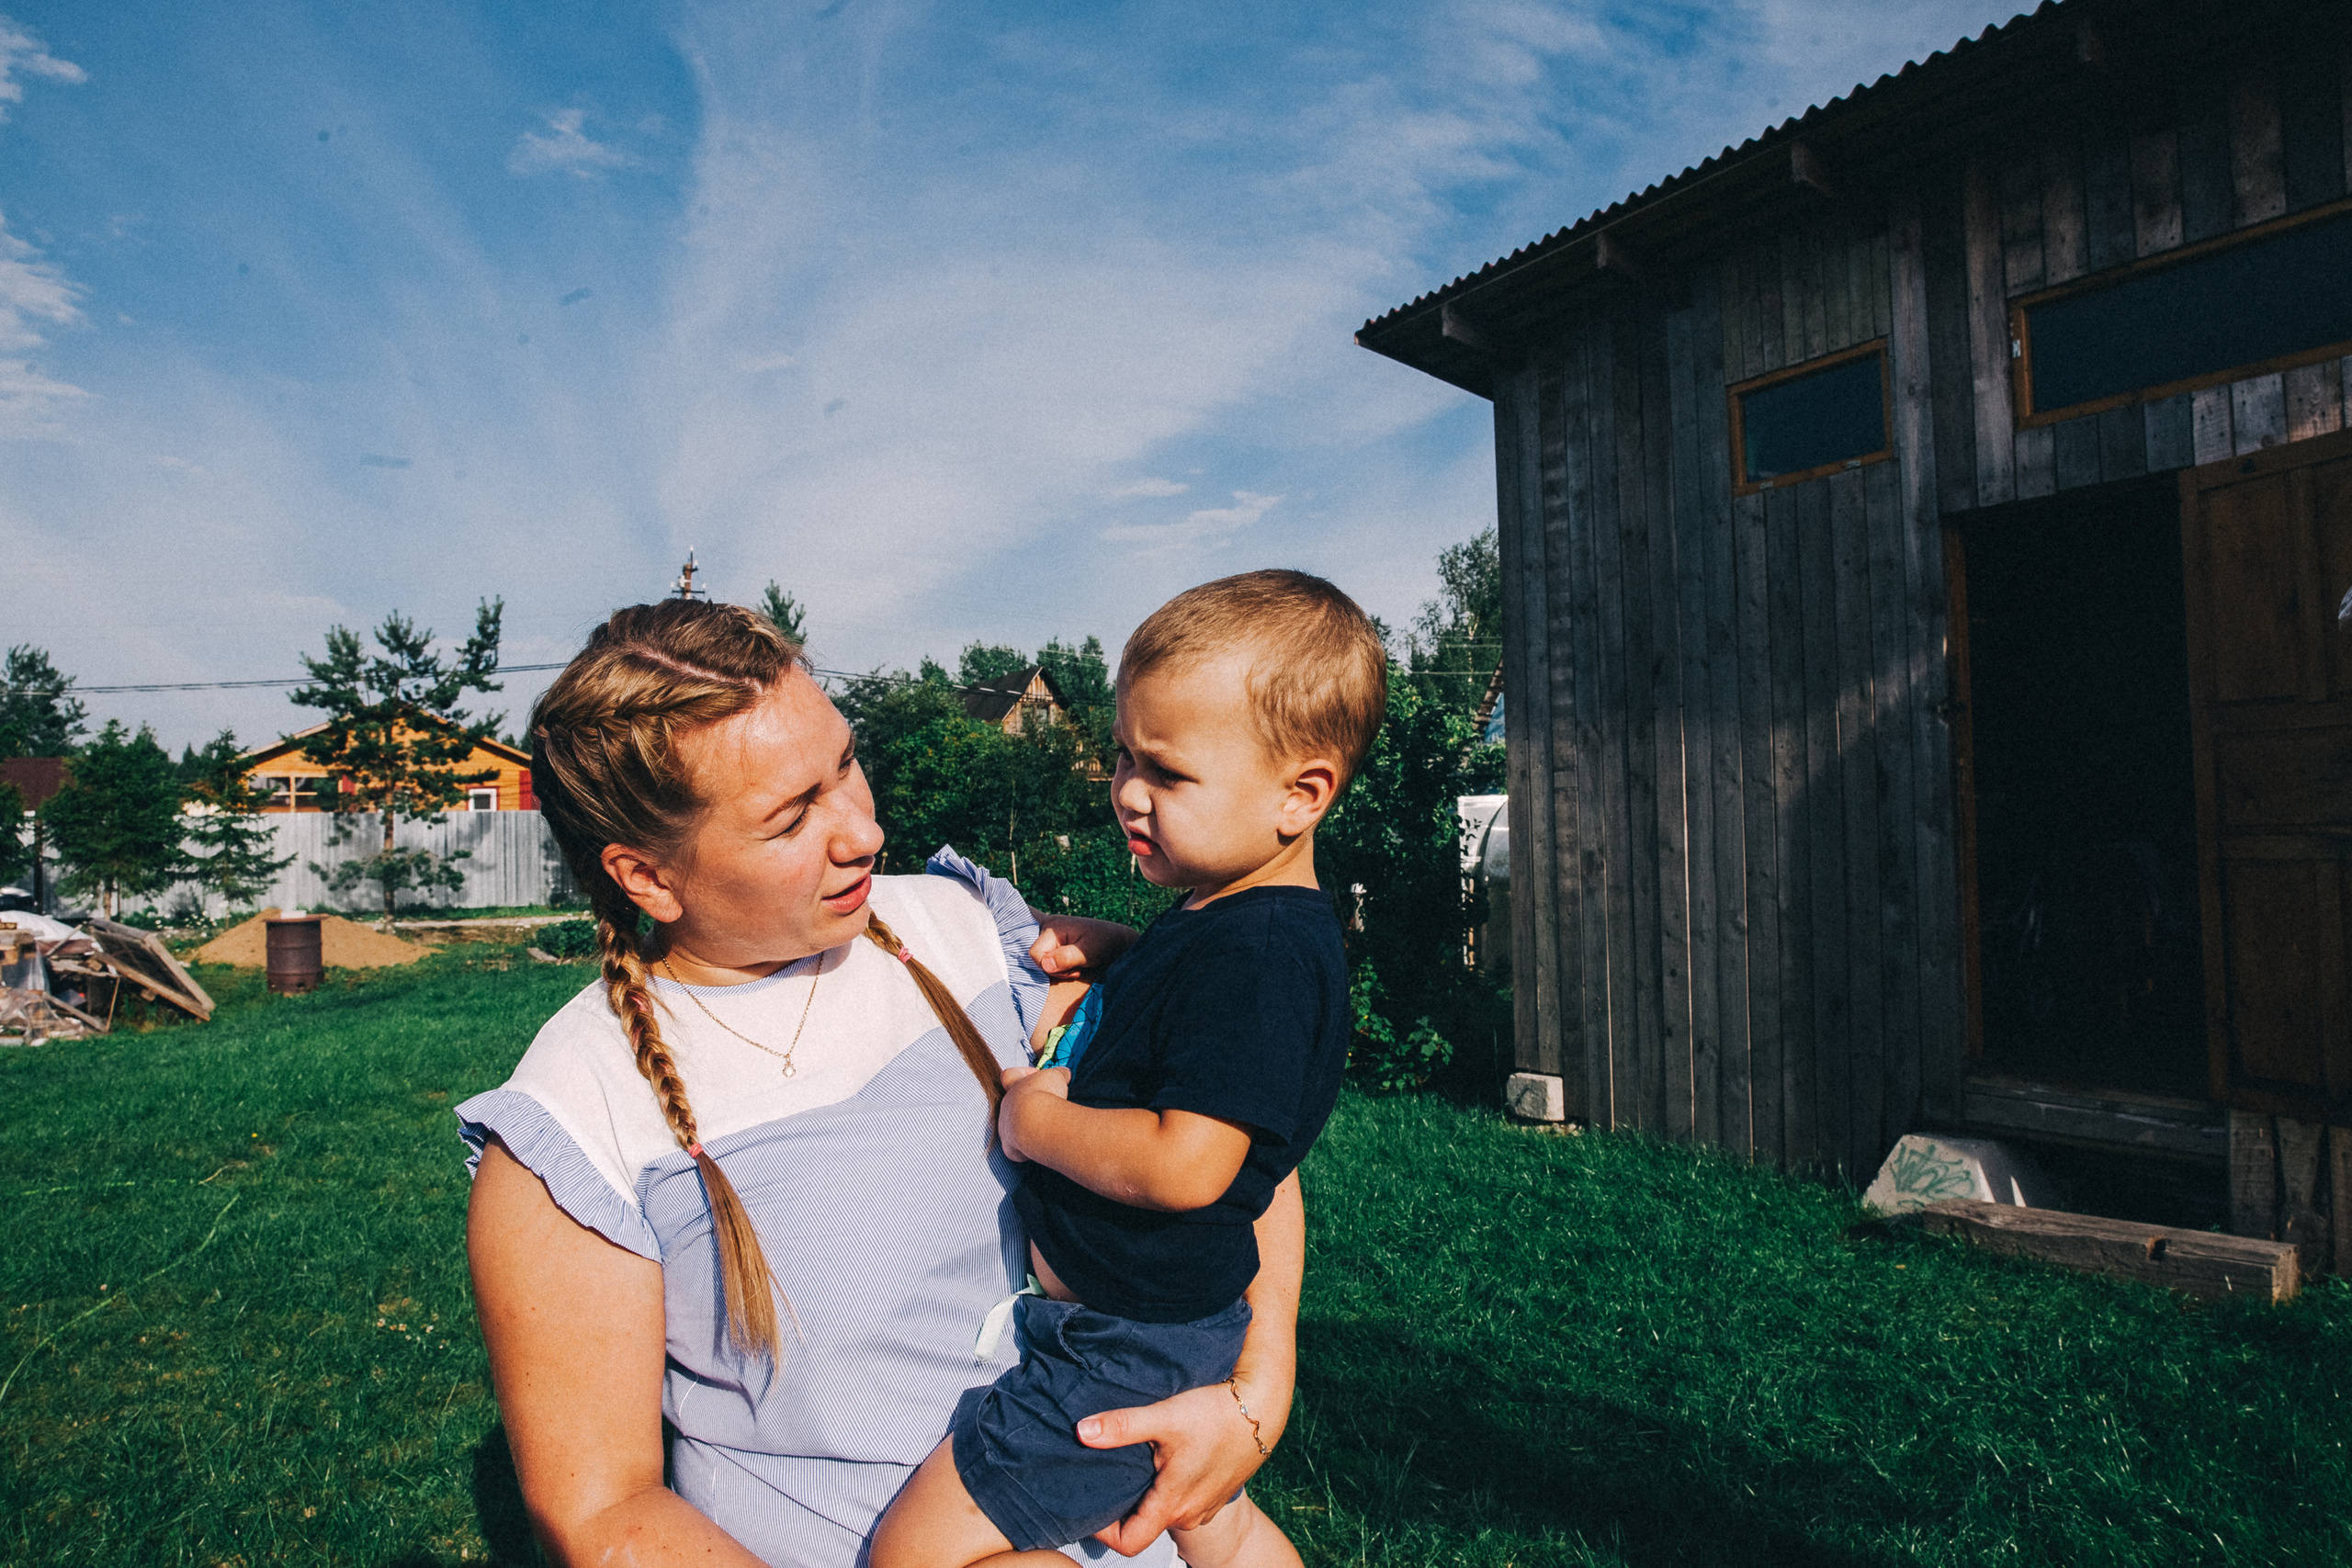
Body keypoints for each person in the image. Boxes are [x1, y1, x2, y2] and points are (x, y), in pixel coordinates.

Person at [457, 600, 1300, 1568]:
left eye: (845, 765)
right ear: (647, 878)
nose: (863, 829)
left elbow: (1224, 1135)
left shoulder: (972, 938)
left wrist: (1256, 1387)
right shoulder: (578, 1115)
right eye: (790, 817)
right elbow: (602, 1515)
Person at [872, 571, 1384, 1568]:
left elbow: (1187, 1162)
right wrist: (1118, 950)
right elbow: (1197, 1029)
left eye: (1167, 772)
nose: (1126, 794)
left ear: (1301, 794)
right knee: (1211, 1521)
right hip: (1164, 1324)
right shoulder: (1228, 922)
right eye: (1121, 757)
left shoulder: (1257, 957)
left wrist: (1035, 1122)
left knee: (917, 1555)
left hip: (1123, 1343)